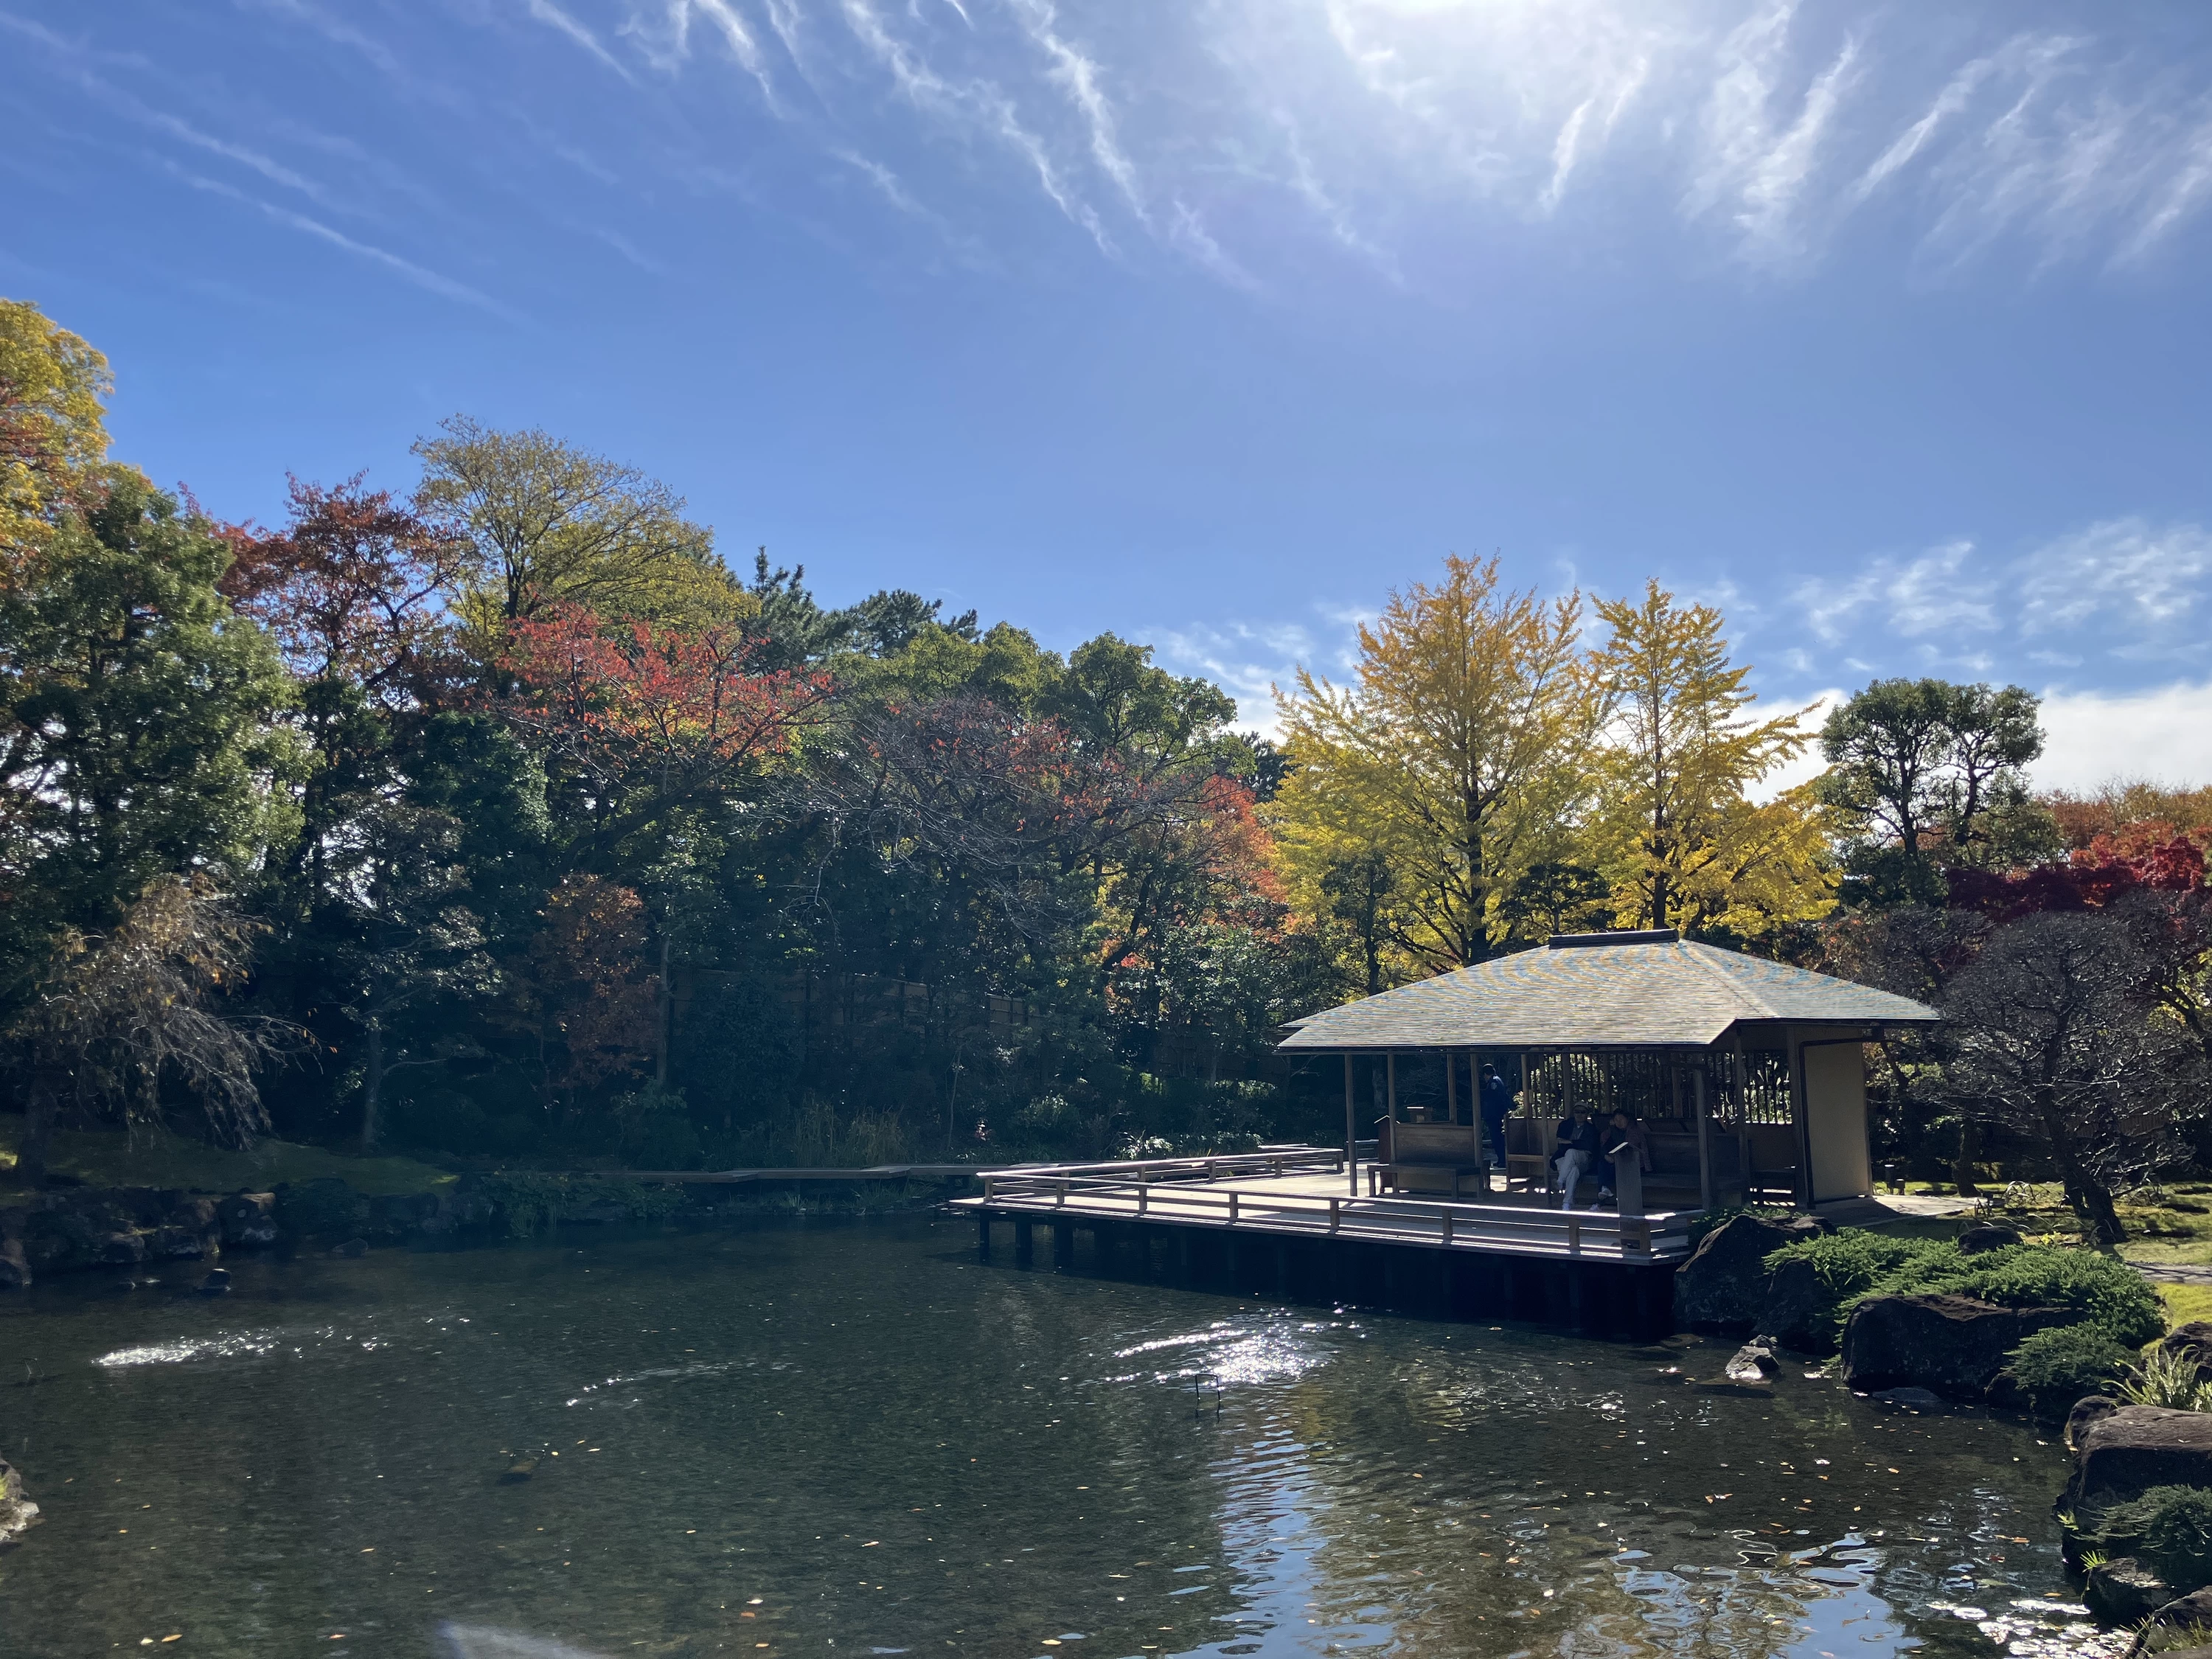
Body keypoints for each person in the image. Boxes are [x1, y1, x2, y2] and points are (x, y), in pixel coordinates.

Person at [1595, 1109, 1650, 1206]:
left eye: (1621, 1119)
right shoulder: (1610, 1132)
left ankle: (1603, 1201)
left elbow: (1630, 1149)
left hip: (1633, 1163)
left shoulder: (1634, 1131)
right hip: (1614, 1162)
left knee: (1614, 1169)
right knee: (1602, 1164)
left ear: (1627, 1119)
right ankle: (1604, 1189)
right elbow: (1605, 1147)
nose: (1619, 1122)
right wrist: (1606, 1156)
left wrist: (1615, 1159)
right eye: (1616, 1119)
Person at [1552, 1107, 1603, 1210]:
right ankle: (1567, 1203)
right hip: (1564, 1158)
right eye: (1577, 1112)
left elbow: (1589, 1146)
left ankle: (1560, 1181)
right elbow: (1560, 1142)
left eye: (1583, 1112)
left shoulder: (1591, 1129)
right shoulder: (1566, 1125)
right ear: (1573, 1113)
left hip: (1584, 1158)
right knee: (1573, 1170)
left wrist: (1570, 1143)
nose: (1579, 1115)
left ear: (1587, 1114)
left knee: (1571, 1152)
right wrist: (1577, 1143)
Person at [1479, 1063, 1512, 1172]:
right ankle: (1501, 1159)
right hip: (1497, 1114)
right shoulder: (1498, 1080)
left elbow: (1493, 1099)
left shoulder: (1493, 1083)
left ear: (1485, 1074)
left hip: (1494, 1115)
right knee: (1498, 1138)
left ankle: (1502, 1160)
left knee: (1497, 1138)